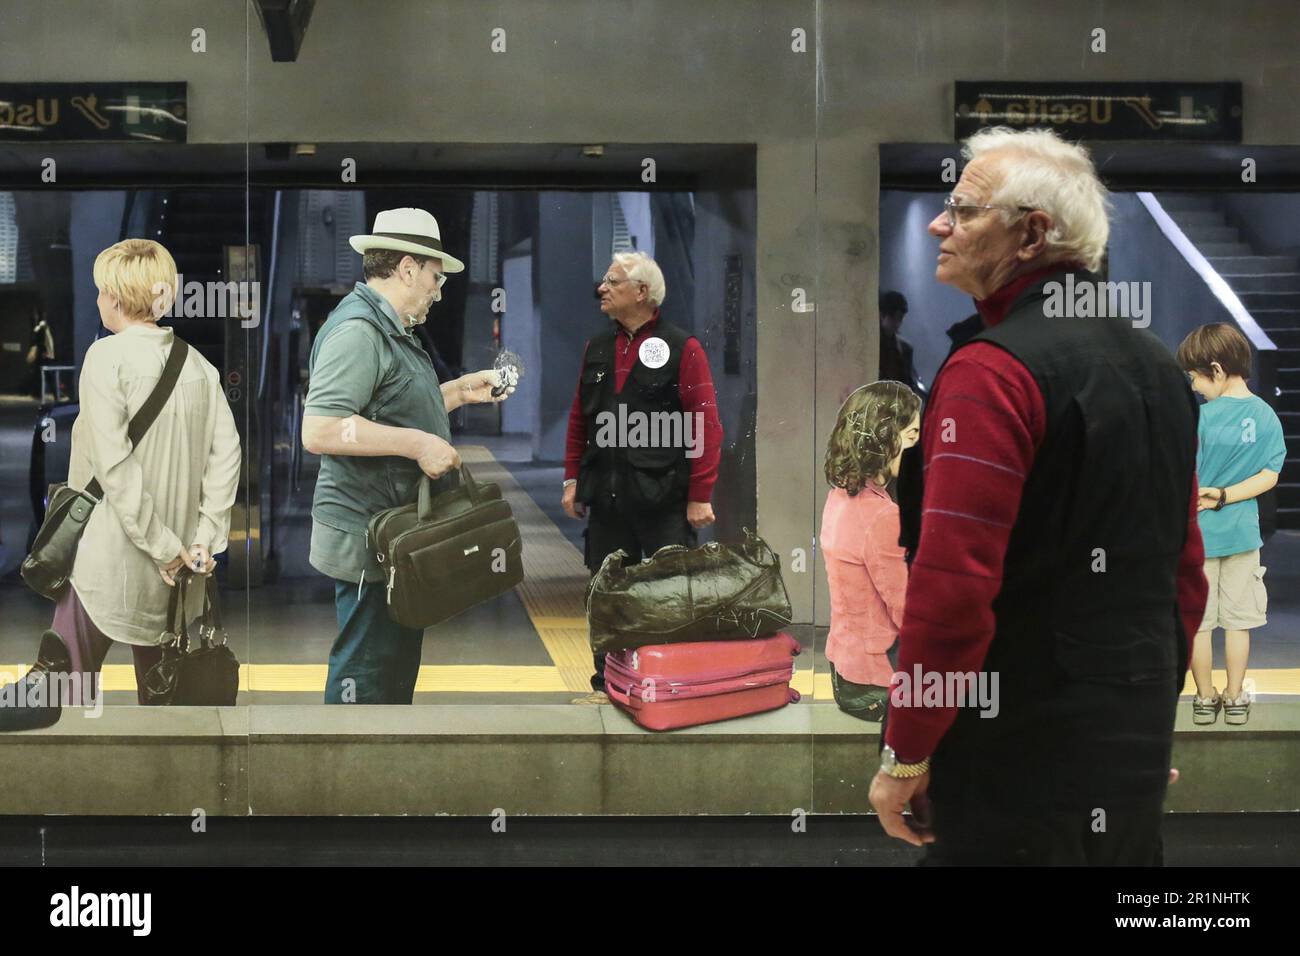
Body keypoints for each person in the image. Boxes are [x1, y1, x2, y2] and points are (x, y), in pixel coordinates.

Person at [870, 126, 1209, 865]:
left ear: (1031, 234)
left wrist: (907, 749)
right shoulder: (1155, 365)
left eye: (962, 210)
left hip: (1012, 746)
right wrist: (1142, 722)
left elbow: (952, 588)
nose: (939, 224)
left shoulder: (990, 372)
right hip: (1124, 736)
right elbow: (1183, 573)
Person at [1, 238, 241, 729]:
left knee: (65, 688)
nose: (96, 301)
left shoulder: (105, 358)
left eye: (99, 292)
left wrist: (161, 547)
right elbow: (227, 455)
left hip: (110, 557)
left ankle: (77, 787)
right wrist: (201, 541)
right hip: (178, 576)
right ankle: (167, 798)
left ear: (114, 296)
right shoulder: (199, 366)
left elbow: (116, 468)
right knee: (164, 697)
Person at [301, 208, 514, 705]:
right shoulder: (358, 333)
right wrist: (418, 444)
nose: (438, 291)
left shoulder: (394, 328)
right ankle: (349, 773)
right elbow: (321, 428)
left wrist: (459, 392)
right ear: (407, 268)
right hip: (366, 536)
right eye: (435, 278)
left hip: (394, 533)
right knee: (366, 669)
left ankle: (378, 770)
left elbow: (389, 407)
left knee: (392, 668)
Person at [562, 252, 723, 702]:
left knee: (668, 597)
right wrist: (571, 480)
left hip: (664, 500)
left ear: (642, 292)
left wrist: (700, 494)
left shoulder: (682, 347)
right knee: (608, 593)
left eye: (612, 281)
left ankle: (668, 685)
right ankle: (607, 684)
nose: (602, 289)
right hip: (608, 499)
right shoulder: (595, 347)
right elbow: (580, 420)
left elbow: (704, 424)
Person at [1176, 323, 1286, 726]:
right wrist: (1226, 495)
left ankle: (1205, 700)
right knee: (1239, 623)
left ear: (1217, 370)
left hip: (1197, 538)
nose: (1195, 387)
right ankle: (1235, 698)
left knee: (1200, 625)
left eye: (1195, 378)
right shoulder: (1266, 415)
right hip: (1242, 537)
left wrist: (1206, 494)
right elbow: (1269, 475)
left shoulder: (1197, 419)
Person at [820, 381, 920, 721]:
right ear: (884, 438)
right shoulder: (882, 516)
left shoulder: (841, 497)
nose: (920, 446)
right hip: (877, 684)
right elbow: (910, 612)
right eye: (913, 435)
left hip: (846, 671)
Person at [877, 291, 924, 395]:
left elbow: (908, 380)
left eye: (900, 318)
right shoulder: (872, 346)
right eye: (894, 318)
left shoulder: (905, 348)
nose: (897, 323)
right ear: (882, 315)